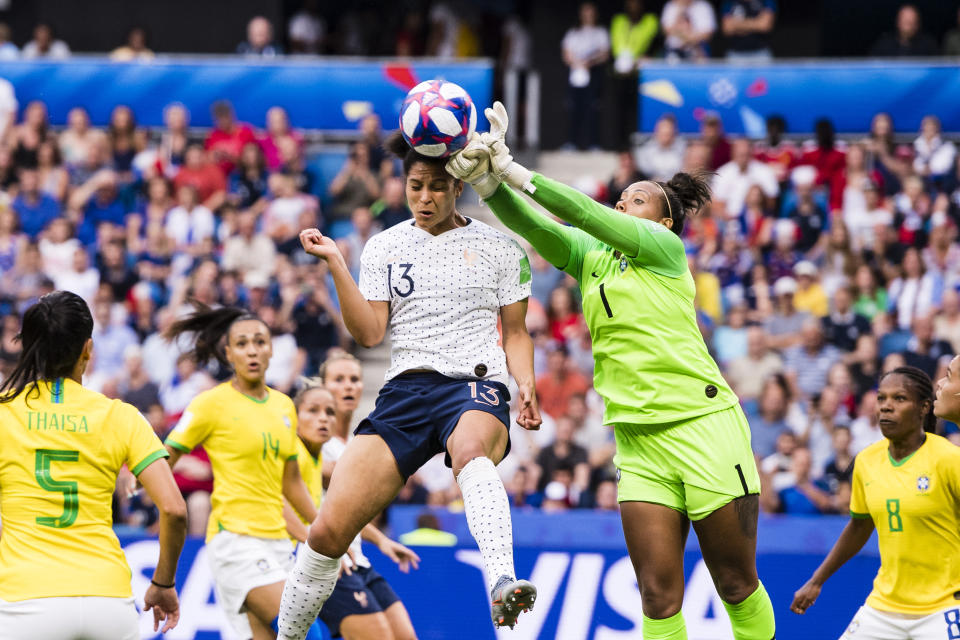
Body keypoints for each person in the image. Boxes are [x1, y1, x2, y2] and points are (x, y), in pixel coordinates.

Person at [448, 102, 775, 639]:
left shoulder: (666, 250)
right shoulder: (592, 257)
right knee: (657, 596)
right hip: (637, 439)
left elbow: (583, 212)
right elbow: (536, 224)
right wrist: (487, 183)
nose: (622, 204)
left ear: (663, 220)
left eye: (637, 200)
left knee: (735, 583)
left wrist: (512, 168)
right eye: (622, 198)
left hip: (704, 426)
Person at [276, 129, 542, 638]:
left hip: (474, 385)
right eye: (415, 185)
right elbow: (370, 332)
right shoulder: (383, 247)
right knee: (329, 531)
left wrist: (524, 381)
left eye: (437, 186)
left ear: (458, 187)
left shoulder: (501, 248)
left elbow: (515, 332)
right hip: (405, 392)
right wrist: (336, 263)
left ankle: (503, 579)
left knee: (470, 452)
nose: (424, 197)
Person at [0, 291, 186, 638]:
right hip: (107, 601)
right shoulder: (121, 415)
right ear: (88, 348)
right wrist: (163, 582)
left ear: (27, 348)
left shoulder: (4, 413)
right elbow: (175, 509)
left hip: (27, 599)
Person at [162, 305, 319, 638]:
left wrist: (321, 531)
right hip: (235, 540)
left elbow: (290, 483)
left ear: (271, 349)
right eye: (243, 343)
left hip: (280, 544)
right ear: (229, 353)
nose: (252, 350)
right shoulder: (210, 403)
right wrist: (140, 482)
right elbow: (166, 458)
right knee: (303, 628)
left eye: (259, 342)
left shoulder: (283, 406)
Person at [792, 366, 960, 638]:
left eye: (900, 399)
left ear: (923, 408)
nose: (886, 407)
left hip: (942, 607)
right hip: (883, 607)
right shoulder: (866, 461)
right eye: (882, 399)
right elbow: (859, 527)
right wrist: (816, 580)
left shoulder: (948, 459)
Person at [314, 356, 420, 640]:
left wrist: (382, 540)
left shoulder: (355, 445)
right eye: (339, 380)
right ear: (322, 387)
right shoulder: (315, 444)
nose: (348, 386)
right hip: (329, 561)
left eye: (354, 379)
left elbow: (347, 513)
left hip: (359, 559)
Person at [561, 2, 610, 151]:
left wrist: (590, 61)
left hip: (593, 73)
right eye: (585, 12)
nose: (588, 15)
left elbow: (605, 53)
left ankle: (593, 144)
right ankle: (572, 143)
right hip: (576, 73)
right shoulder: (573, 32)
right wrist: (577, 62)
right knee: (574, 108)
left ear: (595, 14)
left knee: (592, 108)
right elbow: (566, 53)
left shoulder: (600, 32)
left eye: (591, 12)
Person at [870, 4, 937, 57]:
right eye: (905, 22)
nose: (908, 27)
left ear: (917, 24)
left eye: (911, 22)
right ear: (898, 22)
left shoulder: (928, 45)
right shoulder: (884, 44)